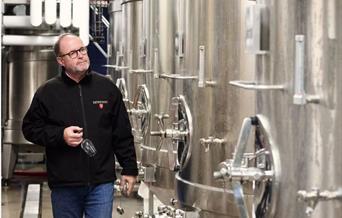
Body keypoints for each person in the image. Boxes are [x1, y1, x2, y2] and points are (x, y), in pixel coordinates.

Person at [22, 33, 138, 218]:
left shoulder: (107, 88)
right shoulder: (48, 92)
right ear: (61, 60)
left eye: (82, 49)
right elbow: (30, 129)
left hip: (101, 183)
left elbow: (122, 132)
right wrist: (61, 135)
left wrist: (130, 169)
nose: (81, 55)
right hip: (64, 185)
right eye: (73, 53)